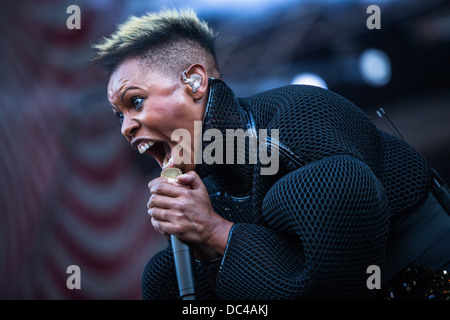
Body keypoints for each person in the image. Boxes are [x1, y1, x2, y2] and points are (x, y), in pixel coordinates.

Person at [91, 8, 450, 299]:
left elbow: (334, 281)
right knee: (162, 276)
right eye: (120, 115)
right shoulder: (205, 187)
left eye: (136, 101)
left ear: (195, 82)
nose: (126, 127)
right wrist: (207, 250)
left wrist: (215, 231)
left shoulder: (298, 114)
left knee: (305, 190)